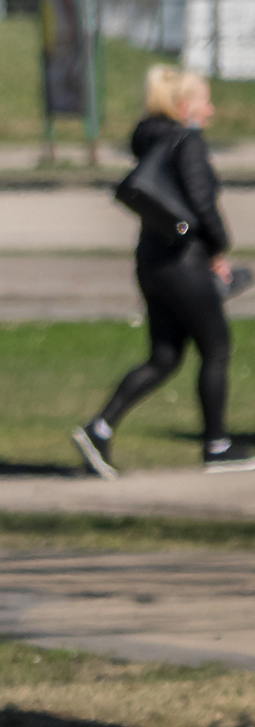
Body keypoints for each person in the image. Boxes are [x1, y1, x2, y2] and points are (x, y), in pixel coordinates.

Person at [73, 66, 255, 475]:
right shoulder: (186, 142)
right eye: (205, 101)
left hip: (152, 262)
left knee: (164, 356)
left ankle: (98, 430)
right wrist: (219, 248)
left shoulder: (150, 141)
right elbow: (201, 203)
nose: (211, 109)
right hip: (185, 263)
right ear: (183, 105)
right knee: (217, 348)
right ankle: (217, 446)